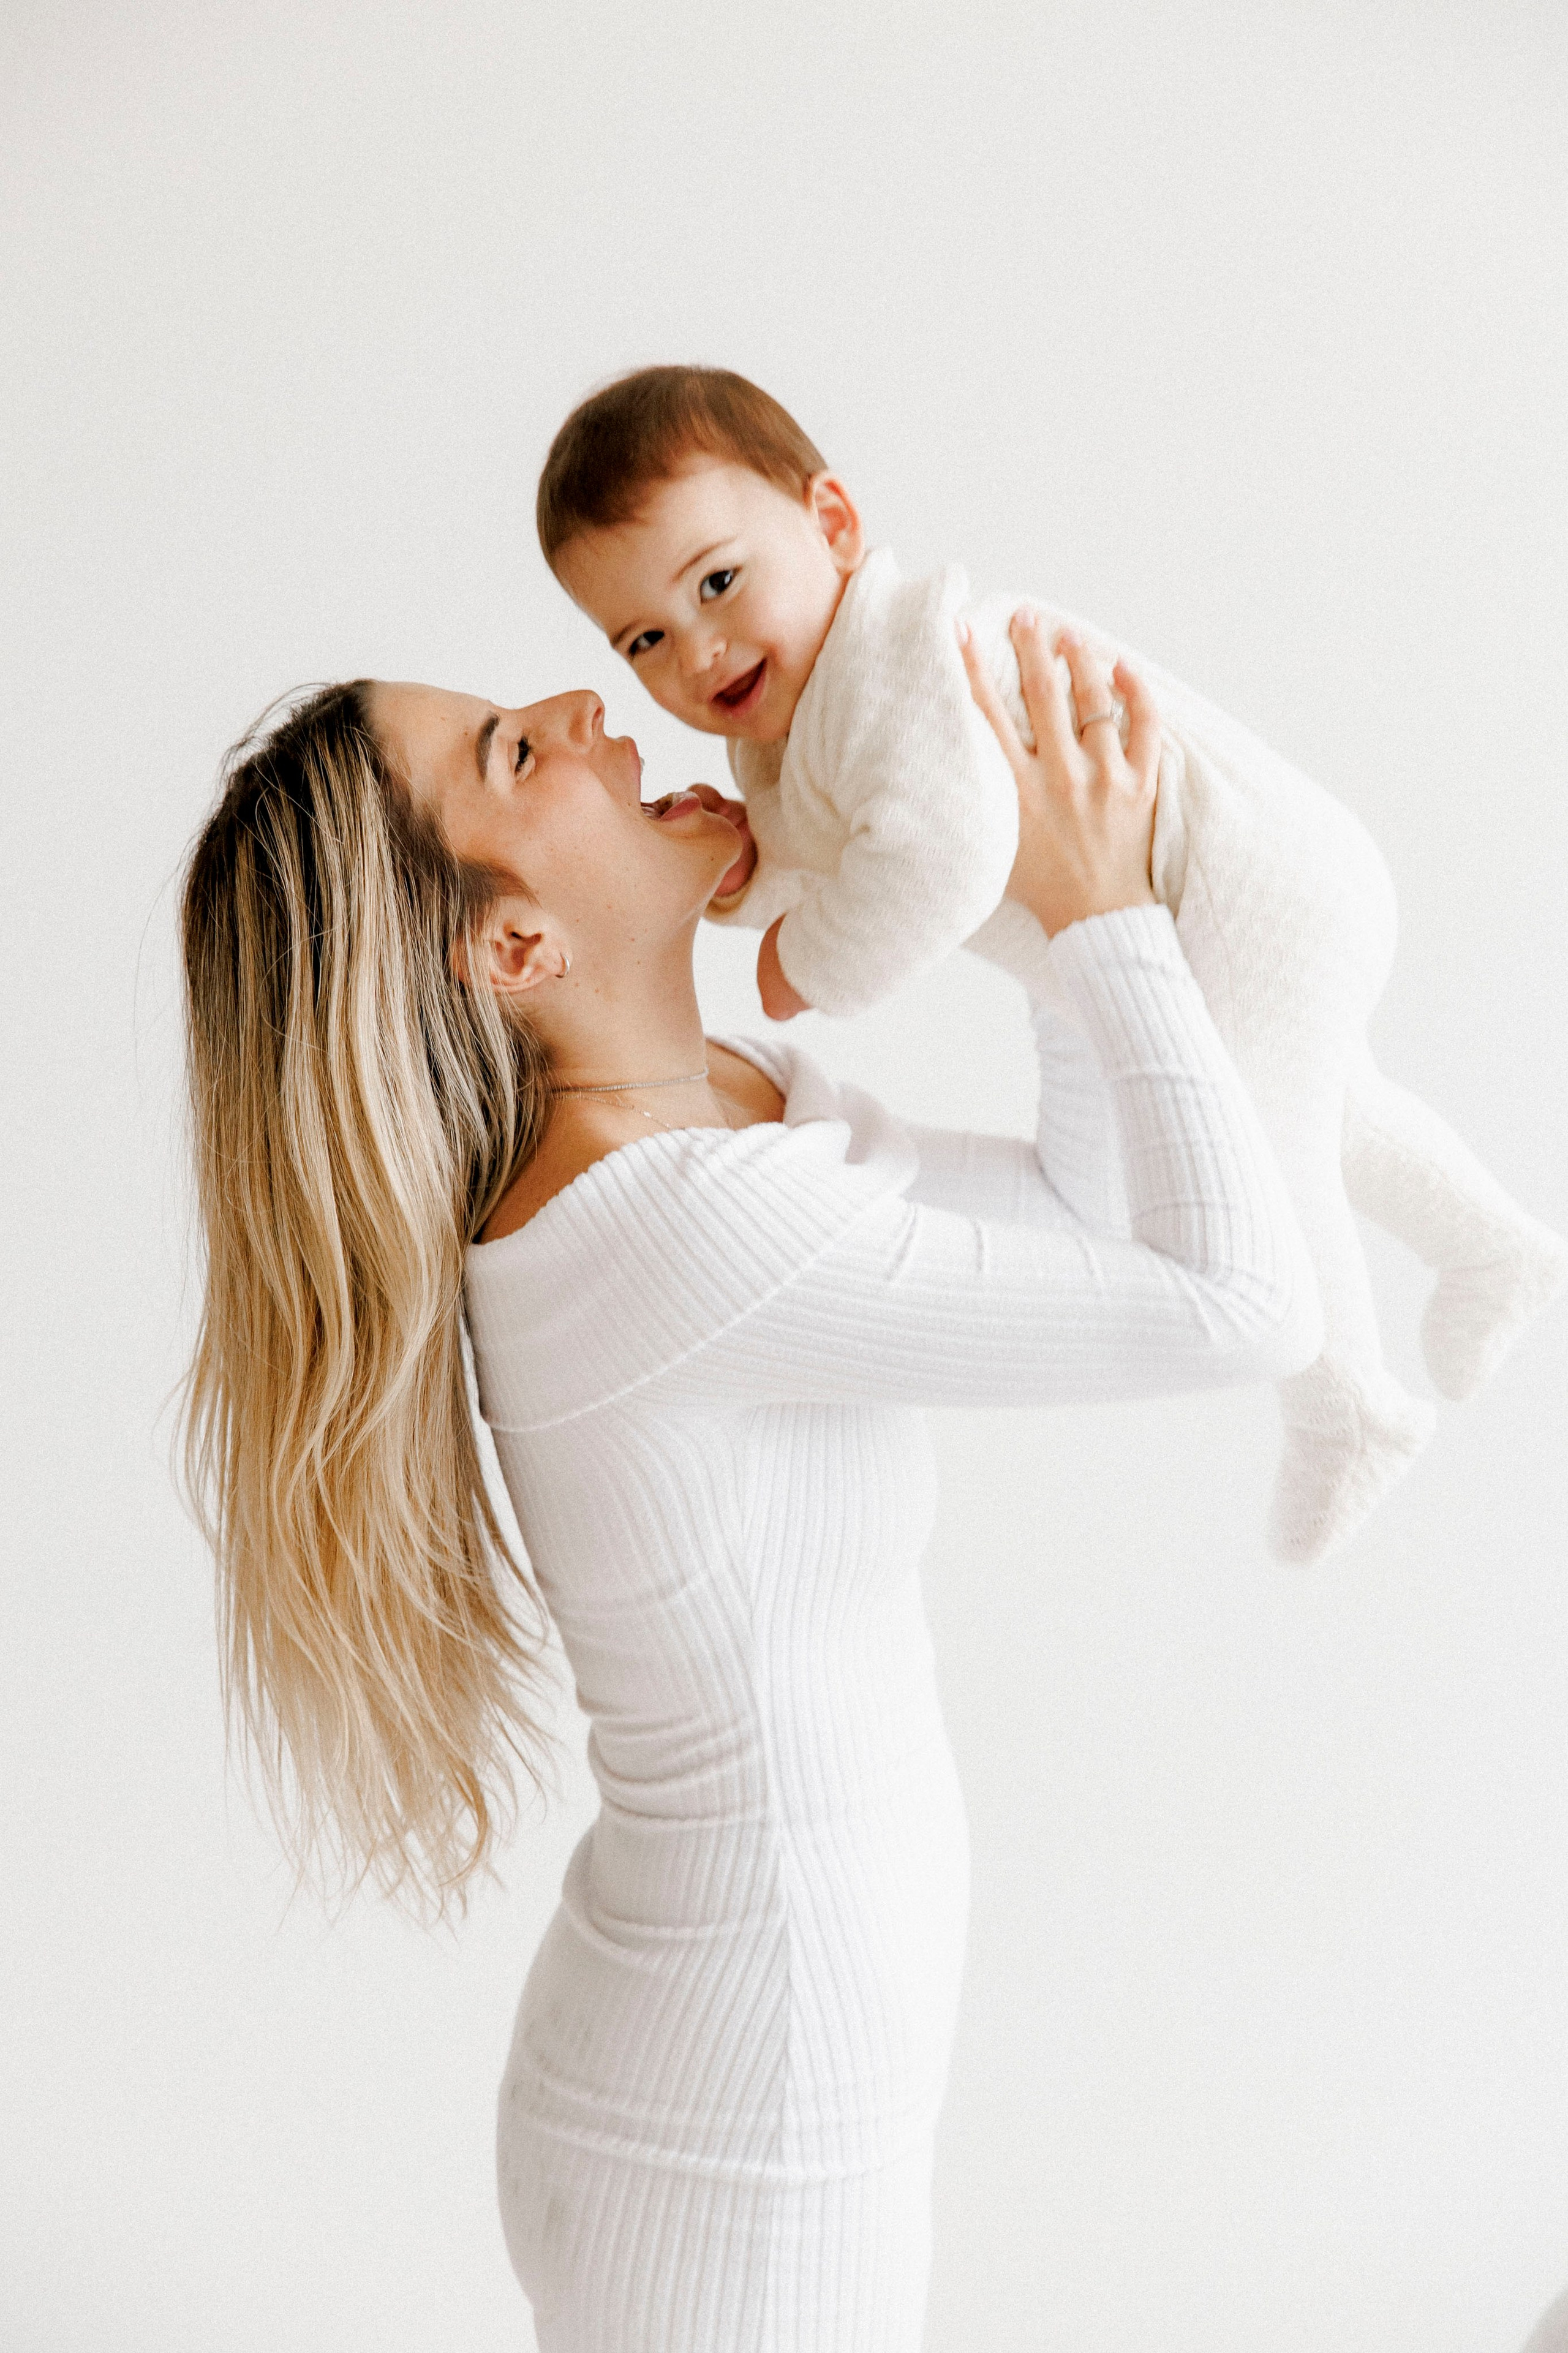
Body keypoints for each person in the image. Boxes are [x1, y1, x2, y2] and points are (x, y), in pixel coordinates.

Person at [179, 619, 1321, 2350]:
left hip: (720, 2068)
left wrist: (1025, 880)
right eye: (512, 753)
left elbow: (1104, 1224)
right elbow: (1244, 1308)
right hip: (743, 2126)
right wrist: (1098, 917)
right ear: (514, 941)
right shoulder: (679, 1232)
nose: (579, 705)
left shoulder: (719, 1114)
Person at [535, 366, 1568, 1568]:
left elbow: (944, 851)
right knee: (1325, 1103)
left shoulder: (895, 669)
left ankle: (1347, 1407)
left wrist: (801, 962)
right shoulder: (803, 716)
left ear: (833, 525)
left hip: (1245, 891)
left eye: (718, 582)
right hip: (1240, 905)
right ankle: (1491, 1244)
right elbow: (824, 836)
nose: (698, 650)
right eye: (644, 639)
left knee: (1269, 1142)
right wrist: (741, 879)